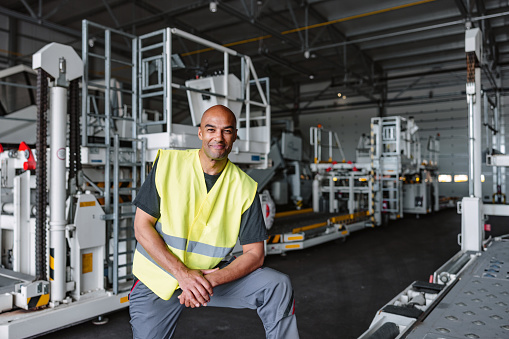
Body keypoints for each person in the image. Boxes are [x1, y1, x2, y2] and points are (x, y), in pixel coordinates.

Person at [129, 105, 299, 339]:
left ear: (235, 136)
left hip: (211, 279)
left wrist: (206, 281)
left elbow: (255, 254)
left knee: (276, 285)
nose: (218, 137)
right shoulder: (168, 164)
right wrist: (184, 275)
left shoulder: (245, 187)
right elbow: (141, 227)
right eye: (211, 129)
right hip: (159, 279)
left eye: (227, 131)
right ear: (200, 133)